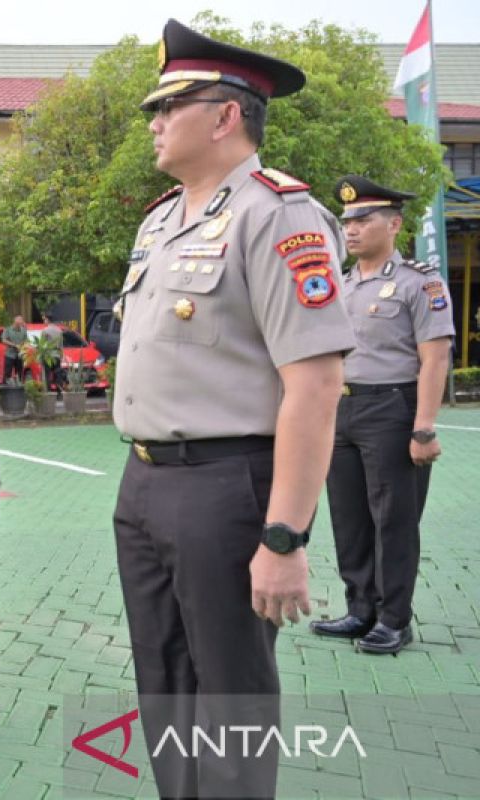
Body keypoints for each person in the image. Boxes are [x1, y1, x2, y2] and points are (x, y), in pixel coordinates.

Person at [112, 19, 356, 797]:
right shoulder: (160, 221)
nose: (153, 124)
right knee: (164, 680)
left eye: (166, 108)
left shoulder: (278, 214)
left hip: (225, 488)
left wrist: (285, 537)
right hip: (144, 483)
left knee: (230, 691)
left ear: (224, 116)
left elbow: (314, 385)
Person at [311, 176, 454, 655]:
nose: (351, 229)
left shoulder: (420, 281)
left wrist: (424, 426)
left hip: (393, 408)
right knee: (349, 517)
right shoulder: (340, 283)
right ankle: (360, 610)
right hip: (342, 409)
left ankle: (394, 619)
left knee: (393, 519)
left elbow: (435, 357)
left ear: (394, 224)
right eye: (347, 221)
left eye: (362, 219)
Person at [0, 315, 28, 382]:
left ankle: (19, 387)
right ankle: (6, 388)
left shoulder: (23, 331)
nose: (21, 325)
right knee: (7, 373)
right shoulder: (8, 330)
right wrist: (14, 345)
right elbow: (4, 340)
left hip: (19, 355)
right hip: (9, 354)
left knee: (19, 373)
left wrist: (22, 346)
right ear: (15, 323)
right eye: (19, 323)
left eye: (21, 323)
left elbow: (26, 341)